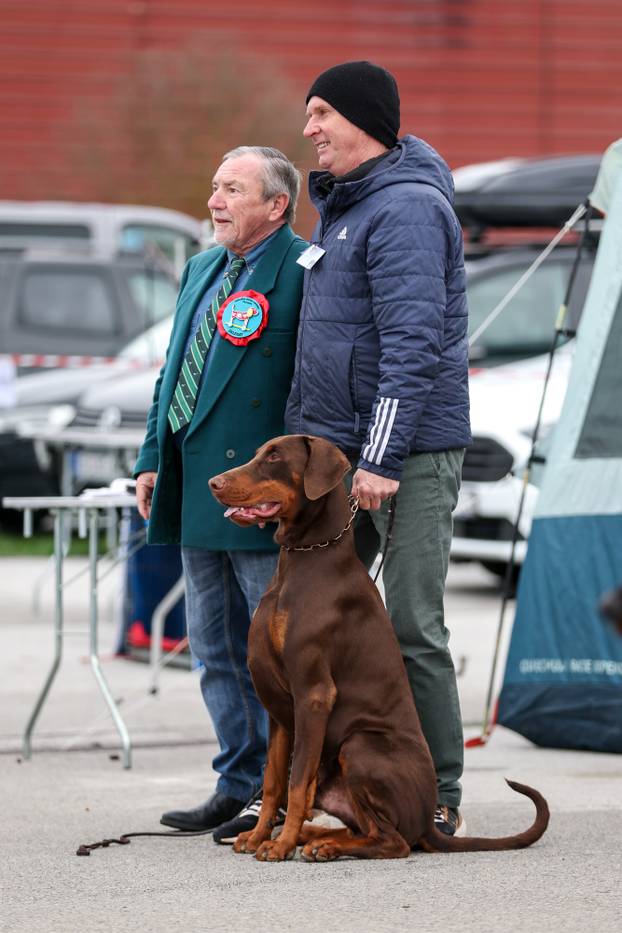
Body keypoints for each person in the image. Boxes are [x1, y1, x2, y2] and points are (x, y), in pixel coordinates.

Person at [285, 61, 472, 836]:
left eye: (321, 113)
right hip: (342, 457)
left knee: (413, 623)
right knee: (321, 617)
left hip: (405, 456)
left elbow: (412, 345)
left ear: (363, 119)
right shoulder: (345, 207)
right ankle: (334, 786)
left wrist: (383, 458)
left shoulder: (407, 209)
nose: (309, 130)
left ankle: (439, 793)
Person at [134, 146, 306, 842]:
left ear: (276, 205)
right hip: (195, 481)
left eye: (233, 190)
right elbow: (173, 373)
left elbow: (314, 386)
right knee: (212, 646)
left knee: (273, 650)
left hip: (260, 493)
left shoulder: (305, 269)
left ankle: (283, 787)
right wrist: (152, 456)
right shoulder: (203, 268)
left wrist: (290, 488)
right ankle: (237, 779)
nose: (215, 201)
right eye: (215, 187)